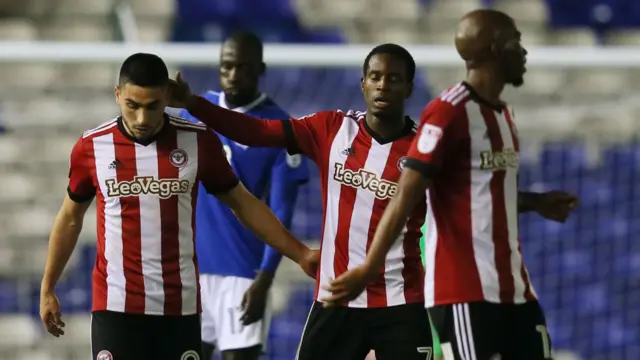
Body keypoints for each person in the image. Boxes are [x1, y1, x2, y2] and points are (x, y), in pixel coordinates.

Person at [320, 9, 580, 360]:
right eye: (516, 42)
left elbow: (479, 193)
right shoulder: (448, 111)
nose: (524, 52)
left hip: (515, 289)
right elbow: (406, 194)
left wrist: (535, 202)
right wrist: (368, 268)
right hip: (465, 293)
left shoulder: (503, 115)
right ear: (495, 49)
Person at [39, 53, 318, 360]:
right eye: (133, 105)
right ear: (117, 94)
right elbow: (69, 218)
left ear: (168, 97)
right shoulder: (91, 147)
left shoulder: (197, 140)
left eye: (153, 106)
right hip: (116, 306)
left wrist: (300, 253)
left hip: (179, 306)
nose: (142, 118)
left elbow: (243, 203)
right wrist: (48, 286)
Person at [169, 44, 434, 360]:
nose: (383, 85)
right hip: (336, 299)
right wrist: (193, 104)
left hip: (400, 302)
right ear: (363, 82)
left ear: (409, 87)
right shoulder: (333, 129)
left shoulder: (425, 150)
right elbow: (256, 131)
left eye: (393, 78)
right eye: (375, 76)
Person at [179, 32, 309, 360]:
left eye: (243, 67)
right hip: (192, 269)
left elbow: (282, 208)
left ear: (260, 69)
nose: (233, 75)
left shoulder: (280, 127)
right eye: (226, 67)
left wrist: (265, 279)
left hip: (243, 272)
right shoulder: (193, 113)